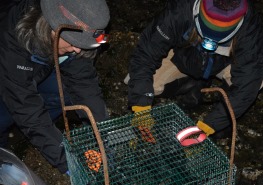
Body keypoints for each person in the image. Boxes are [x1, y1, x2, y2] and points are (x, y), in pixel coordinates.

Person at [126, 0, 263, 141]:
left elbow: (248, 84)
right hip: (184, 58)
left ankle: (223, 117)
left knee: (257, 81)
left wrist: (210, 125)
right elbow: (145, 55)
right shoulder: (179, 10)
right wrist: (141, 107)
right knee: (138, 83)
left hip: (223, 63)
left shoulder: (250, 26)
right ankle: (191, 83)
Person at [0, 0, 110, 174]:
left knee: (65, 93)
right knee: (5, 115)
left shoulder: (73, 39)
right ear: (49, 26)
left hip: (38, 66)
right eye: (73, 41)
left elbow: (83, 83)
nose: (77, 49)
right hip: (8, 70)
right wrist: (66, 161)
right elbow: (25, 105)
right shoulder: (13, 39)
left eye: (81, 43)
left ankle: (43, 134)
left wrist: (102, 131)